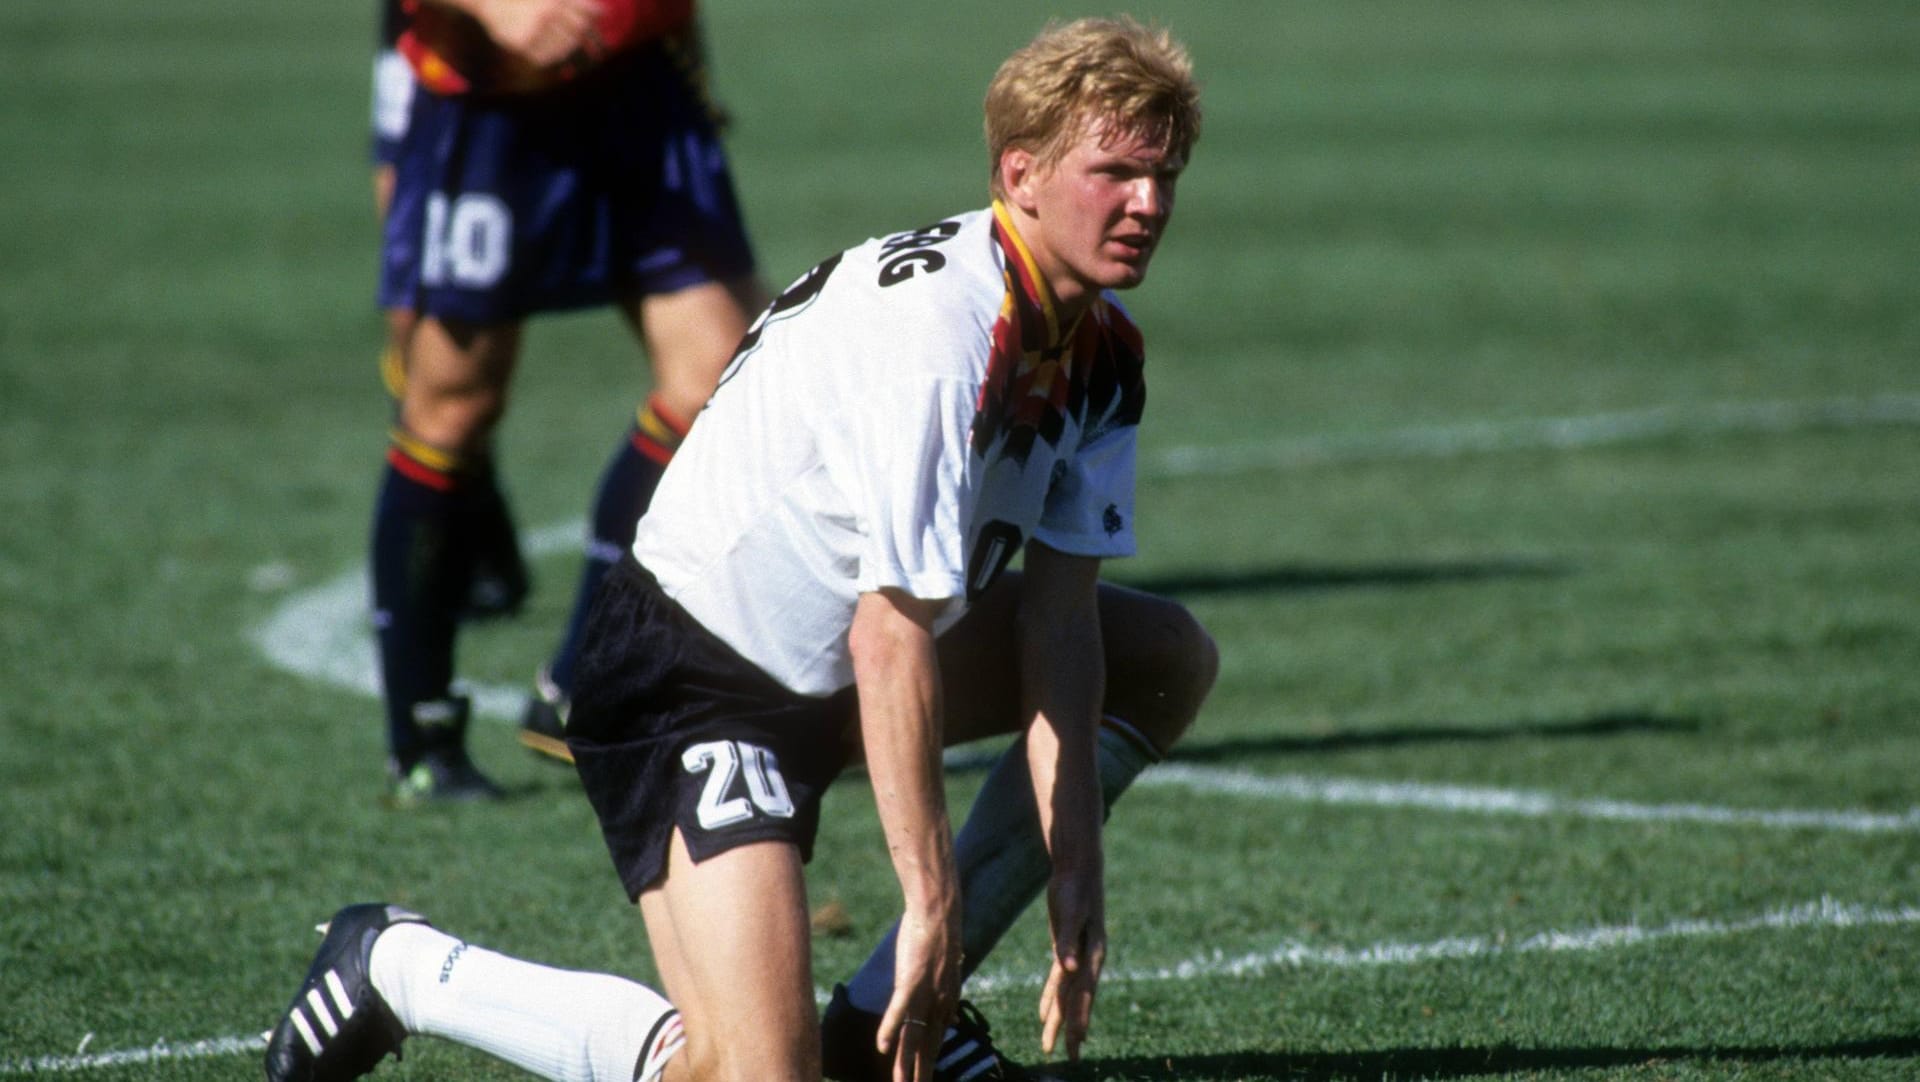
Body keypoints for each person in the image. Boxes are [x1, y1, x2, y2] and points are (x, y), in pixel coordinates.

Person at [266, 16, 1212, 1082]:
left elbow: (1060, 617)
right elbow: (887, 640)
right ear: (1021, 173)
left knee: (1163, 655)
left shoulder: (1102, 350)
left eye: (1165, 174)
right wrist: (932, 907)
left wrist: (1077, 863)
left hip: (827, 661)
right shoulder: (940, 343)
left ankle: (874, 1026)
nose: (1147, 205)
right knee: (754, 1072)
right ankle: (397, 965)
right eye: (1116, 172)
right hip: (691, 679)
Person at [368, 0, 771, 803]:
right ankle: (421, 740)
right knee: (453, 408)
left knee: (721, 382)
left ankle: (582, 681)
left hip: (641, 88)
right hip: (491, 97)